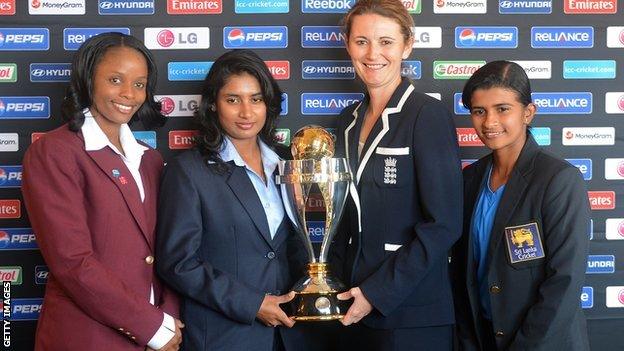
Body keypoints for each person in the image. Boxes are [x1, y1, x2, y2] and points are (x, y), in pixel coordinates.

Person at [21, 32, 182, 351]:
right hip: (87, 337)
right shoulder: (55, 152)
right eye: (115, 79)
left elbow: (168, 249)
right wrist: (150, 326)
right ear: (87, 79)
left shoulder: (151, 159)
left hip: (158, 338)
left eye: (139, 84)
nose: (129, 94)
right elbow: (72, 261)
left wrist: (168, 319)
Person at [329, 0, 463, 349]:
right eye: (361, 41)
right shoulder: (347, 121)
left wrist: (376, 292)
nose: (373, 53)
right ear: (348, 45)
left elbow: (444, 223)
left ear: (407, 45)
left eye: (386, 41)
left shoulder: (426, 115)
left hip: (411, 315)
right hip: (352, 307)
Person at [155, 49, 307, 351]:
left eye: (256, 99)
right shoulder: (189, 171)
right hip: (225, 336)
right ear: (213, 105)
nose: (246, 112)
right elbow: (178, 263)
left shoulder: (287, 166)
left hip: (290, 334)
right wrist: (252, 304)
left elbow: (289, 249)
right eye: (232, 99)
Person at [451, 60, 590, 350]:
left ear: (528, 113)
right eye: (479, 111)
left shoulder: (558, 179)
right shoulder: (470, 179)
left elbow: (563, 282)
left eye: (502, 109)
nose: (489, 122)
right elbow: (464, 275)